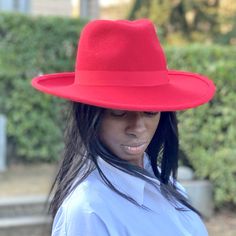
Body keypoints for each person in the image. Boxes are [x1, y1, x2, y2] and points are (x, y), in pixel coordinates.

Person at [31, 19, 215, 236]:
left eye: (150, 111)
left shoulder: (169, 186)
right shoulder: (89, 210)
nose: (138, 128)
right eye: (118, 112)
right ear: (90, 115)